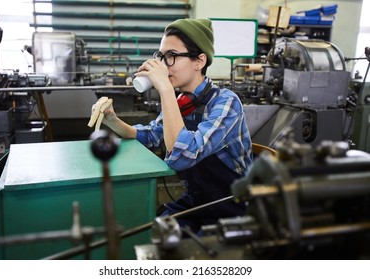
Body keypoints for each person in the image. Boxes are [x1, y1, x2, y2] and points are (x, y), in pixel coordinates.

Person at [92, 18, 253, 234]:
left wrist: (165, 90)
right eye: (160, 56)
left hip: (232, 207)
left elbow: (183, 156)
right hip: (197, 201)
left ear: (199, 61)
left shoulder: (226, 102)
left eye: (172, 56)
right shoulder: (181, 101)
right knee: (153, 232)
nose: (163, 64)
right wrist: (111, 119)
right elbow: (150, 135)